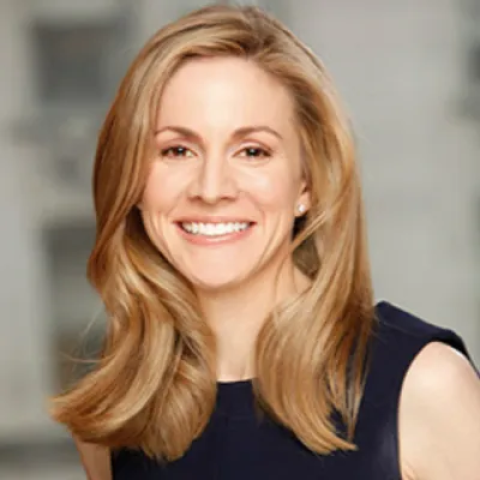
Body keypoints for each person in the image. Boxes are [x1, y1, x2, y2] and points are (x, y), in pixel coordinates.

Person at [50, 4, 480, 480]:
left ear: (307, 184)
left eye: (252, 151)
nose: (211, 188)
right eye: (177, 149)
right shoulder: (113, 418)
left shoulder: (424, 387)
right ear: (132, 179)